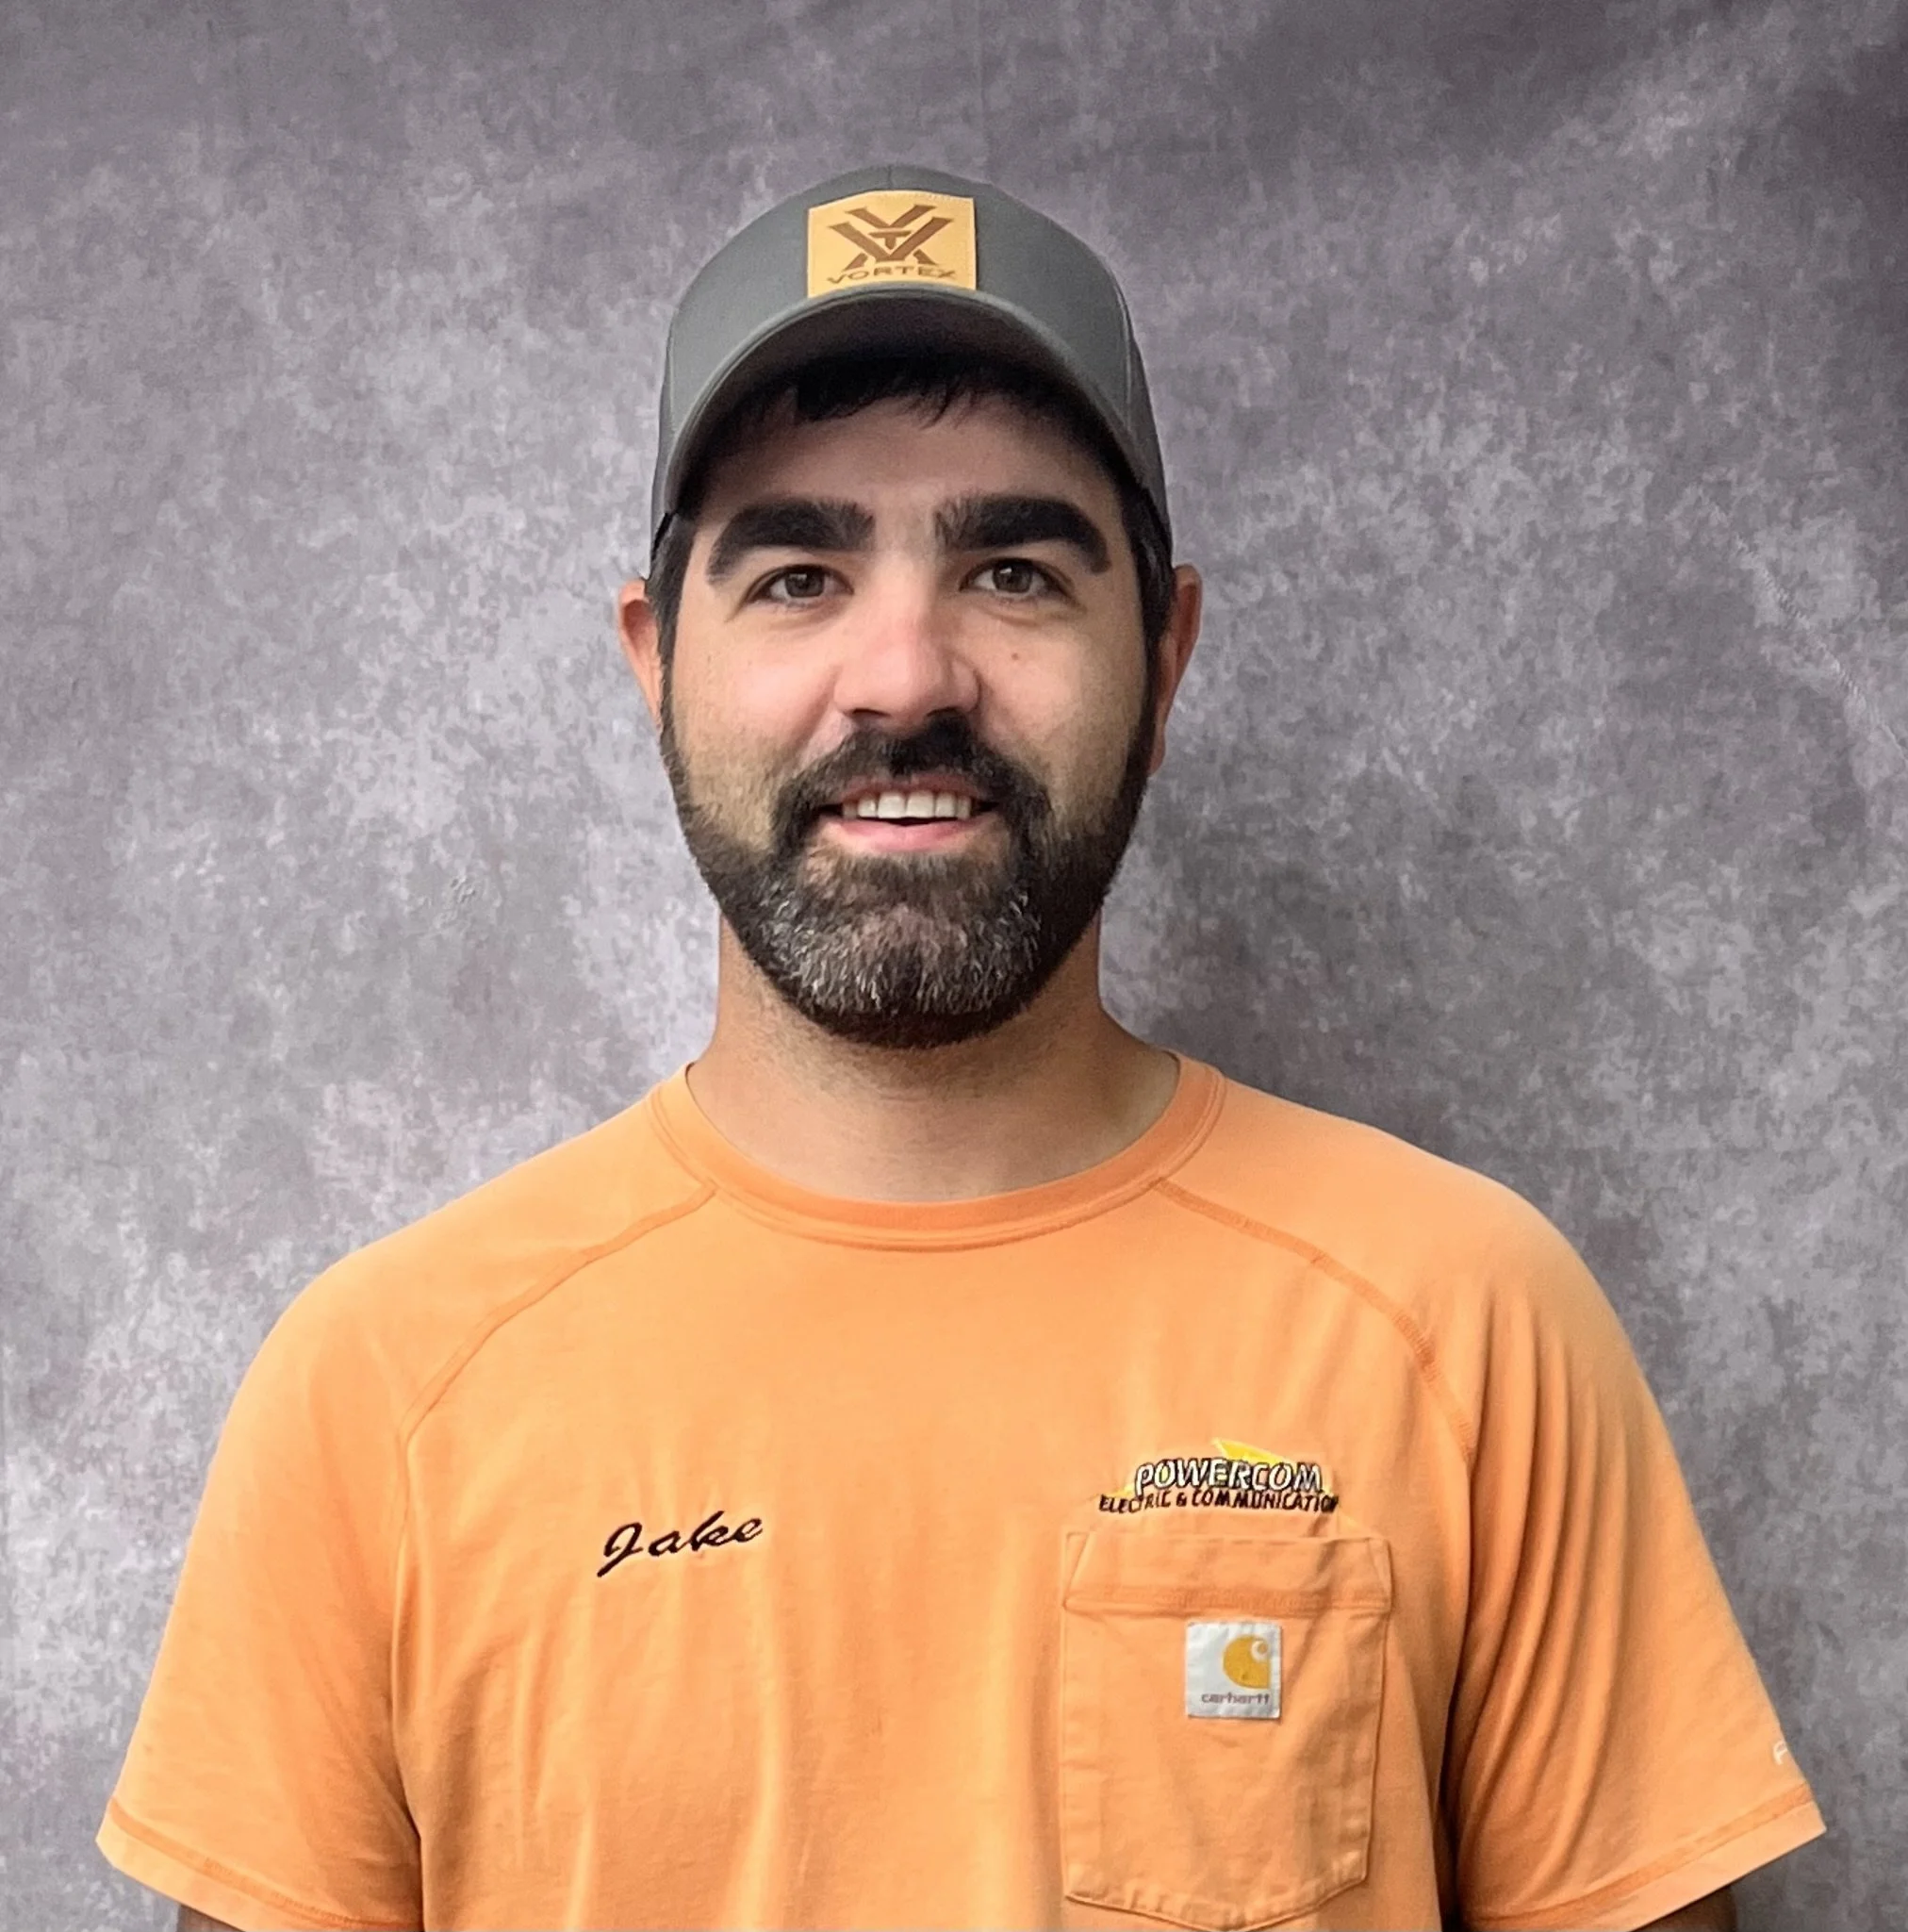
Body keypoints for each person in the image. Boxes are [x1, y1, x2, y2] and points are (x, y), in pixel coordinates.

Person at [101, 164, 1823, 1932]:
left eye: (1012, 568)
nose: (905, 676)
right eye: (795, 576)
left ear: (1163, 658)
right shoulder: (381, 1394)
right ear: (654, 658)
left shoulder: (1466, 1324)